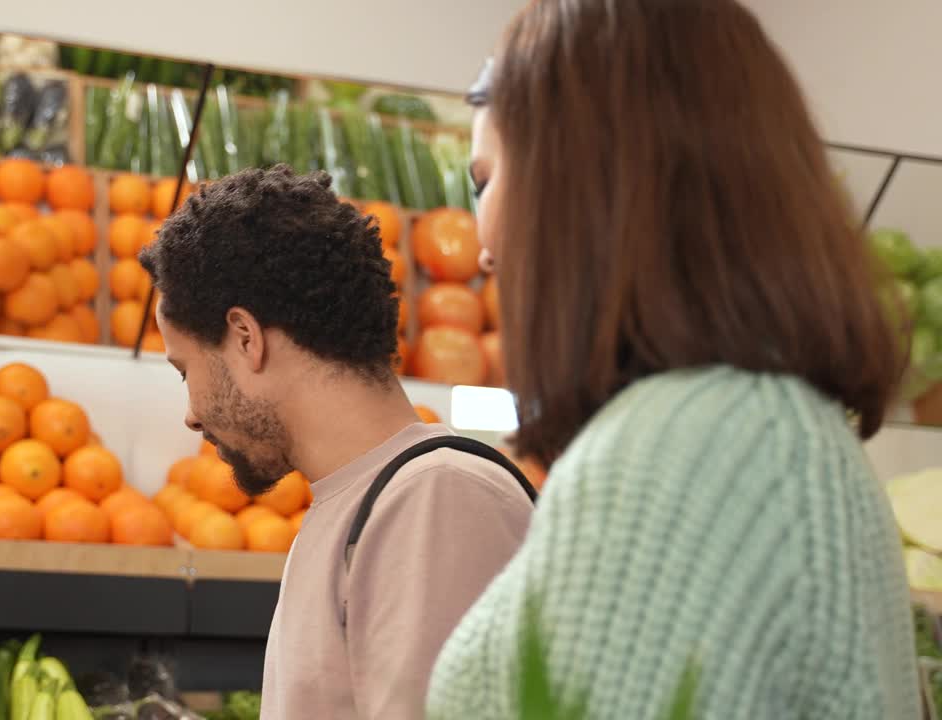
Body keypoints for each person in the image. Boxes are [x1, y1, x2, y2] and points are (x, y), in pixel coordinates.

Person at [427, 1, 922, 718]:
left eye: (486, 178)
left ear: (589, 186)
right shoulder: (750, 429)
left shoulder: (694, 450)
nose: (482, 244)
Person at [139, 166, 535, 720]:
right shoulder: (358, 501)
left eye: (186, 372)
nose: (191, 415)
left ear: (246, 338)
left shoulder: (438, 502)